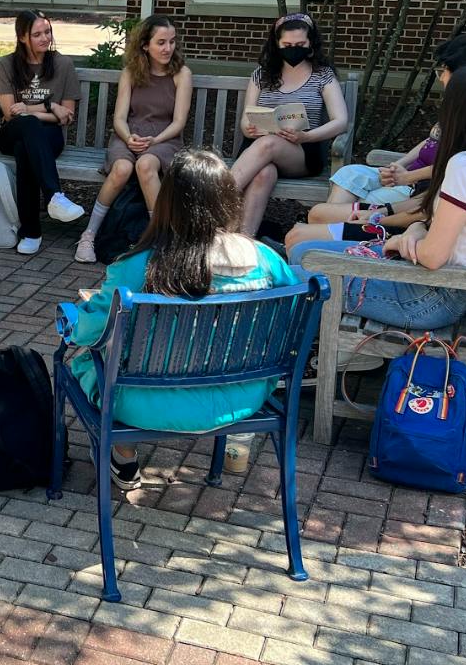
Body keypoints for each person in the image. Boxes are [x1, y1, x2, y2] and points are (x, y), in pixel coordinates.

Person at [62, 149, 300, 488]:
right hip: (241, 395)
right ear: (227, 200)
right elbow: (289, 322)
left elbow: (91, 331)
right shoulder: (264, 259)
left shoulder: (138, 264)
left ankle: (123, 455)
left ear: (167, 201)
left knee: (89, 361)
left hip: (141, 402)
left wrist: (74, 318)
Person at [288, 63, 466, 331]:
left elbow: (432, 257)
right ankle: (325, 339)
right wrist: (416, 229)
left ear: (459, 112)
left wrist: (404, 240)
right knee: (304, 251)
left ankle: (325, 351)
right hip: (452, 288)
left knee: (295, 276)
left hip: (425, 297)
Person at [285, 34, 466, 251]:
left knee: (302, 240)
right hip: (412, 223)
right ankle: (328, 247)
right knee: (311, 226)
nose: (442, 78)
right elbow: (430, 202)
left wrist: (380, 218)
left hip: (410, 239)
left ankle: (330, 253)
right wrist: (382, 213)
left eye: (445, 70)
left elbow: (429, 234)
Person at [74, 15, 193, 264]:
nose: (167, 48)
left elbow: (179, 122)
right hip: (129, 134)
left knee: (145, 165)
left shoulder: (181, 74)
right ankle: (89, 235)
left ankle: (160, 239)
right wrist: (129, 138)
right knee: (122, 168)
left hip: (165, 139)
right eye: (161, 42)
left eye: (171, 42)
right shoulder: (131, 73)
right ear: (145, 45)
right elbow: (119, 118)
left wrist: (154, 140)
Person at [231, 13, 349, 239]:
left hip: (301, 151)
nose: (293, 49)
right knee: (263, 174)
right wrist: (249, 128)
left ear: (310, 44)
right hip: (257, 149)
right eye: (287, 45)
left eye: (300, 45)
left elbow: (340, 121)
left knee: (268, 144)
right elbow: (247, 118)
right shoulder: (262, 75)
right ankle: (241, 243)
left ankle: (214, 198)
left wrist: (307, 136)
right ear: (276, 44)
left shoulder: (323, 75)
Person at [0, 10, 85, 256]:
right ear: (23, 37)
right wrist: (49, 107)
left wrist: (34, 109)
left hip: (49, 136)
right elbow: (11, 114)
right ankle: (54, 196)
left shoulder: (63, 64)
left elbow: (66, 115)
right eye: (37, 34)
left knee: (27, 148)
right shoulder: (7, 65)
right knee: (27, 128)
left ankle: (31, 232)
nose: (45, 38)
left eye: (48, 31)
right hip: (12, 133)